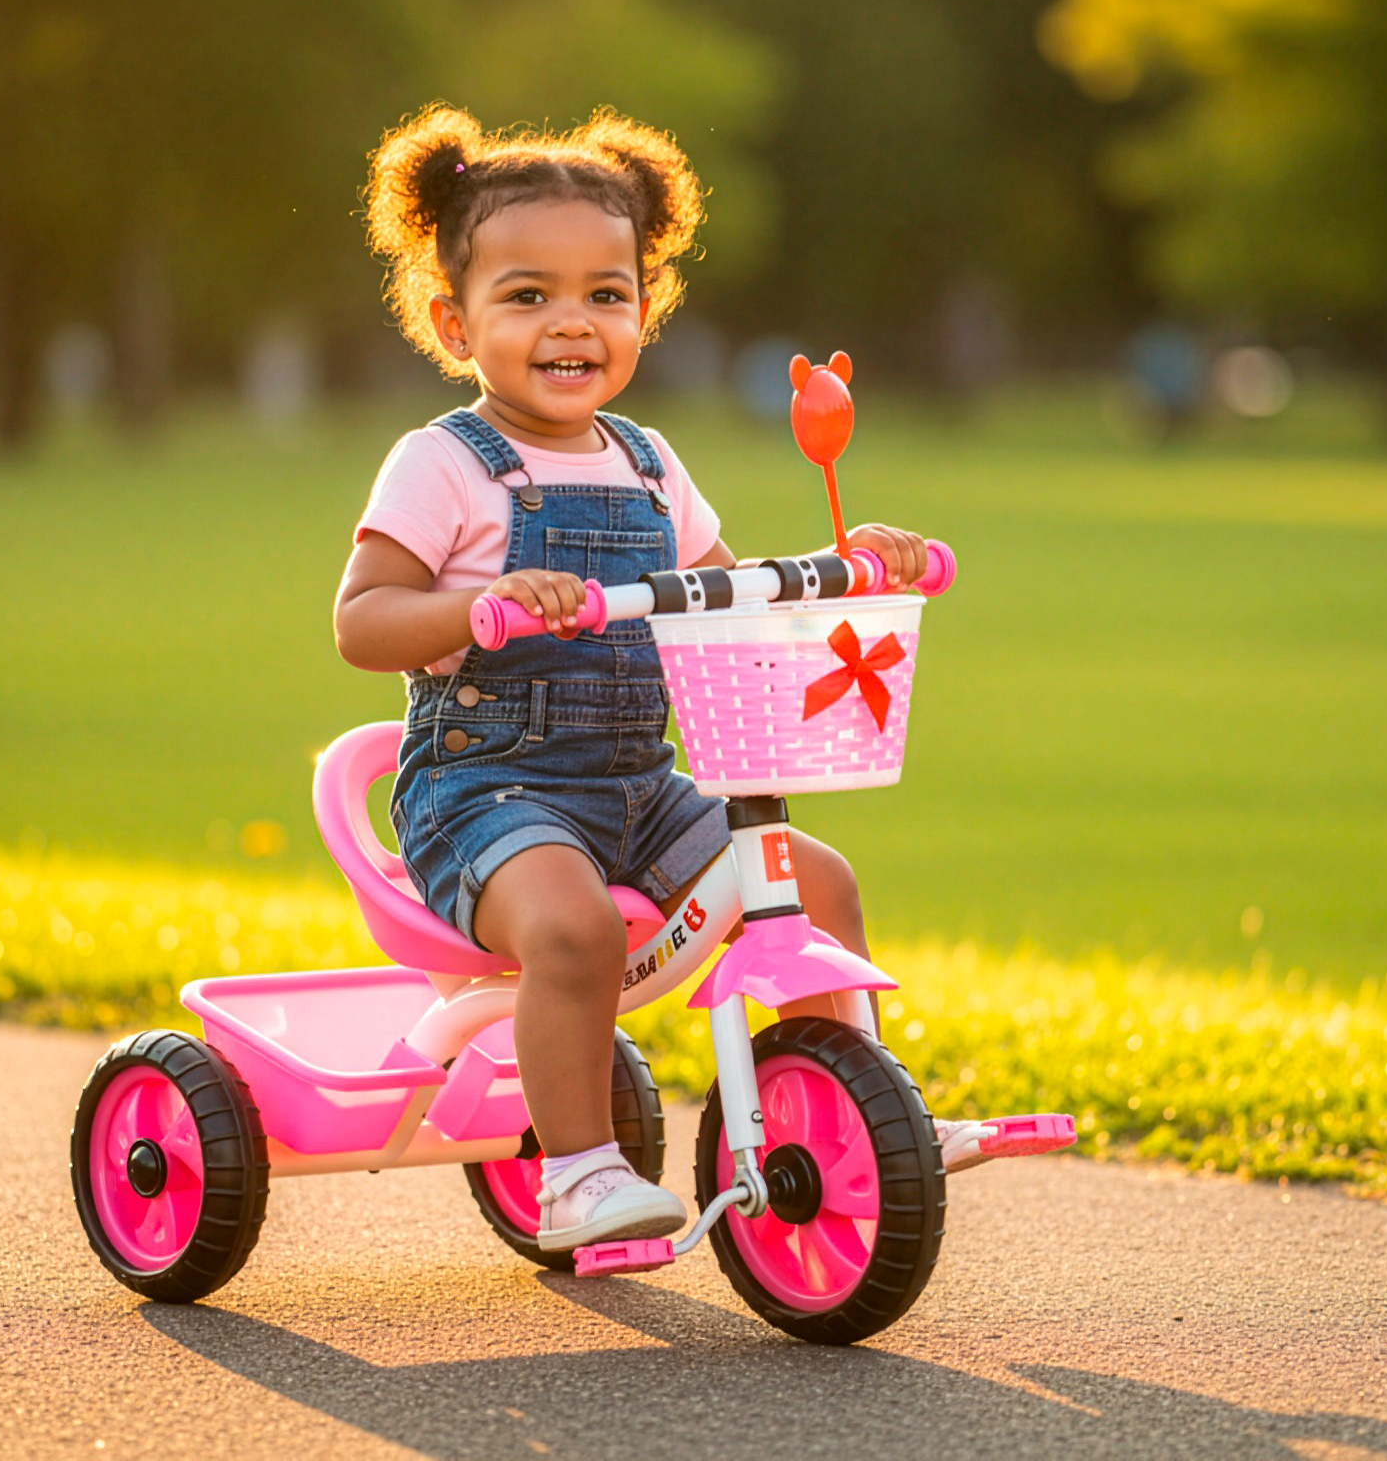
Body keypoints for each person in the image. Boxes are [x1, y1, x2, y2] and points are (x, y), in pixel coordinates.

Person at [334, 106, 948, 1252]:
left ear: (644, 311)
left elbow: (734, 594)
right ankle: (573, 1170)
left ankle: (853, 1109)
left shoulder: (652, 463)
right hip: (486, 795)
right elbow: (363, 621)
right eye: (527, 296)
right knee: (573, 931)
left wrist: (850, 560)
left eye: (605, 295)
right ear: (449, 320)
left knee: (813, 877)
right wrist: (481, 605)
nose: (571, 324)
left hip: (639, 784)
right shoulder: (443, 465)